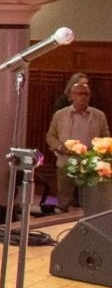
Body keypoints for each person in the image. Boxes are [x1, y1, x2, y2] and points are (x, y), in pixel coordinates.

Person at [46, 80, 108, 208]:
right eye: (79, 93)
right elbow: (51, 136)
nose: (83, 97)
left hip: (89, 163)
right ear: (71, 96)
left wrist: (97, 153)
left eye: (86, 94)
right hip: (66, 161)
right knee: (64, 198)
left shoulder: (99, 115)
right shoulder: (60, 115)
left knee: (88, 200)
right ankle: (60, 219)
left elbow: (106, 138)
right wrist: (60, 147)